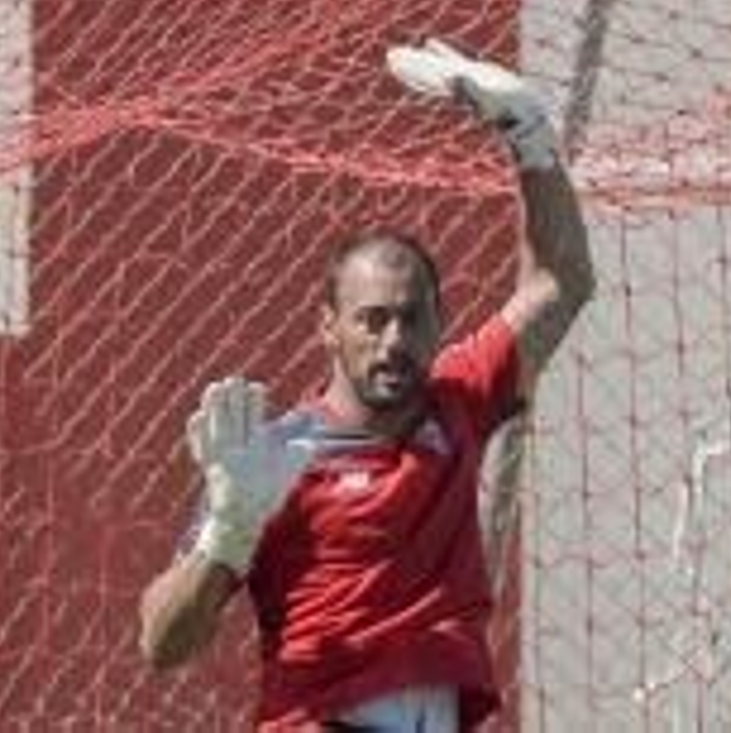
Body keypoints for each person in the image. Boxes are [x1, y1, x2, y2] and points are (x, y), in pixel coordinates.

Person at [137, 39, 595, 731]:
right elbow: (161, 644)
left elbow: (561, 283)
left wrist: (527, 132)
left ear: (441, 323)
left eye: (411, 320)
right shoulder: (270, 459)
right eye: (371, 320)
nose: (392, 342)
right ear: (329, 328)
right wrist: (227, 531)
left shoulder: (459, 398)